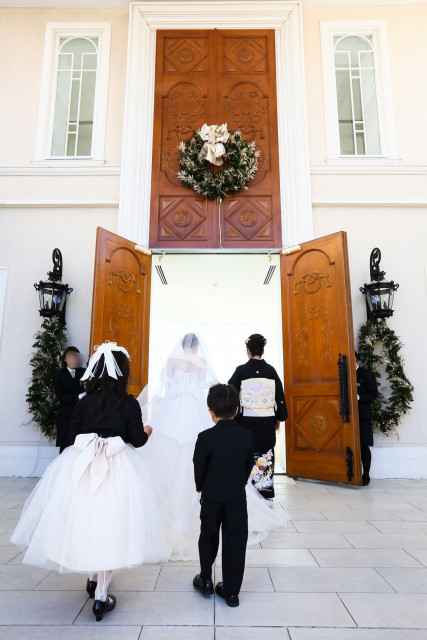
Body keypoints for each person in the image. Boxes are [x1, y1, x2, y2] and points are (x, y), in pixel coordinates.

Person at [10, 342, 168, 622]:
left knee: (88, 519)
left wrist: (92, 441)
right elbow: (137, 440)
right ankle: (101, 596)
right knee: (111, 525)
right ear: (122, 374)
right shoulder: (129, 403)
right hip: (118, 468)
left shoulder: (84, 401)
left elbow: (72, 436)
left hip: (81, 466)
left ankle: (93, 579)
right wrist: (146, 430)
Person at [137, 332, 286, 562]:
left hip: (173, 410)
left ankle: (171, 507)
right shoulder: (201, 362)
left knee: (170, 456)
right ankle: (230, 492)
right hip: (203, 409)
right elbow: (201, 386)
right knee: (209, 447)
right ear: (196, 347)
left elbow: (168, 387)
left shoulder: (171, 361)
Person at [193, 383, 253, 608]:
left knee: (208, 534)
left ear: (211, 412)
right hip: (236, 496)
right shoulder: (246, 436)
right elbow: (248, 464)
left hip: (212, 496)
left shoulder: (205, 437)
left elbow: (199, 465)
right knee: (236, 539)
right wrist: (239, 482)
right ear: (237, 410)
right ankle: (232, 591)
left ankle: (206, 578)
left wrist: (201, 486)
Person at [228, 334, 287, 500]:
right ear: (262, 350)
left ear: (248, 351)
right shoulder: (271, 371)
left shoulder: (241, 370)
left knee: (246, 453)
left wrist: (235, 414)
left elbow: (230, 391)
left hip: (246, 421)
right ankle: (264, 491)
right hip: (267, 420)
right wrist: (279, 416)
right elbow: (279, 396)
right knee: (266, 453)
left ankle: (246, 490)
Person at [53, 346, 85, 453]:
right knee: (65, 446)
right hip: (66, 415)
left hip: (82, 414)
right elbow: (60, 395)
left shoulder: (84, 372)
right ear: (65, 359)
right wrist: (78, 397)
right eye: (70, 357)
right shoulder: (59, 375)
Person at [356, 351, 378, 486]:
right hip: (347, 417)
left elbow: (373, 393)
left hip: (363, 415)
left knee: (363, 445)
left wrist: (359, 398)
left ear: (355, 358)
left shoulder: (365, 374)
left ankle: (366, 475)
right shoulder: (342, 374)